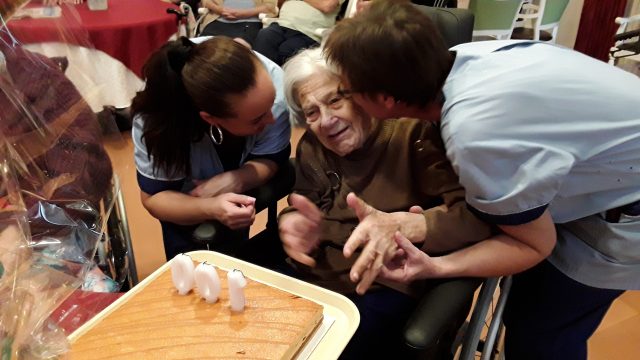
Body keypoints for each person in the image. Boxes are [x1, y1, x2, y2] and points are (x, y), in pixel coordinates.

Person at [322, 1, 640, 359]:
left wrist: (435, 267)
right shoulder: (464, 55)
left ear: (384, 99)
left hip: (626, 211)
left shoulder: (475, 134)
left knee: (542, 333)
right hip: (612, 157)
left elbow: (536, 245)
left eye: (347, 92)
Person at [279, 47, 491, 359]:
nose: (325, 121)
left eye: (335, 101)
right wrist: (293, 220)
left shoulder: (412, 134)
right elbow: (306, 202)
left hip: (388, 284)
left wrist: (416, 226)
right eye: (311, 112)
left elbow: (474, 216)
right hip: (320, 280)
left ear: (360, 95)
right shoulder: (313, 145)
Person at [131, 36, 291, 261]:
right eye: (257, 120)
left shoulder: (274, 89)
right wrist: (210, 207)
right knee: (190, 262)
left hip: (236, 191)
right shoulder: (158, 117)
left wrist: (239, 178)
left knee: (236, 251)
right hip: (182, 201)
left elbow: (271, 158)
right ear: (211, 119)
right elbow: (155, 198)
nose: (272, 120)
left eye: (271, 106)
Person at [253, 0, 343, 65]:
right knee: (264, 36)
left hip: (308, 32)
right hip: (282, 24)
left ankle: (280, 88)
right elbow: (279, 6)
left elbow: (327, 5)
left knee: (286, 49)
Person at [199, 0, 278, 46]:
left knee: (237, 50)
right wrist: (219, 10)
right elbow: (206, 1)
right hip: (217, 19)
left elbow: (270, 6)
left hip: (249, 22)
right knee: (201, 46)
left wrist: (243, 13)